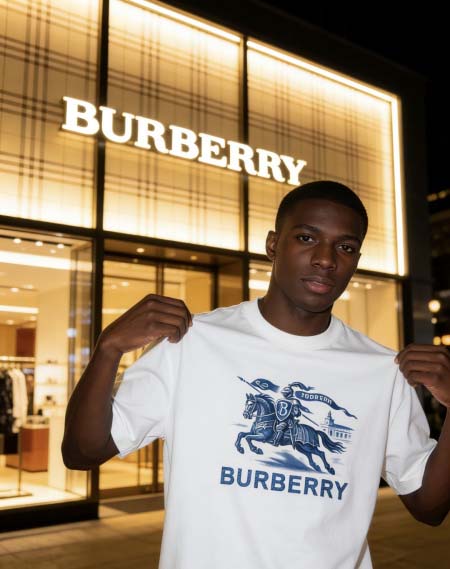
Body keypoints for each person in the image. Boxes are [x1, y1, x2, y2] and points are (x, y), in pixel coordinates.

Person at [62, 180, 450, 569]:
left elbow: (429, 507)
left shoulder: (382, 370)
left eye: (345, 247)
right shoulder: (190, 344)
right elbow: (82, 453)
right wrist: (108, 348)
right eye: (306, 238)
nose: (326, 259)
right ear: (273, 245)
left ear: (356, 260)